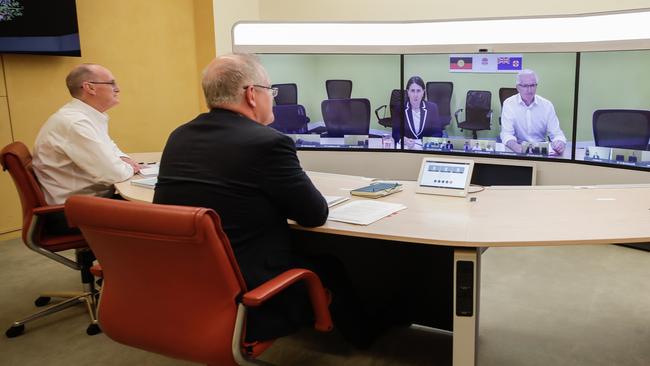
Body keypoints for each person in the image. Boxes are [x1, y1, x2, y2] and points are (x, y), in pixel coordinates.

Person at [154, 54, 388, 346]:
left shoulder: (179, 136)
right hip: (249, 290)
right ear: (252, 95)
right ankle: (365, 340)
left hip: (190, 285)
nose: (273, 99)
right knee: (331, 266)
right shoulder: (268, 142)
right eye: (271, 91)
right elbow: (314, 215)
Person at [32, 64, 140, 232]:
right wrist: (130, 168)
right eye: (111, 83)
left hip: (85, 202)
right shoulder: (75, 123)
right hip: (71, 213)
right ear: (90, 87)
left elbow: (109, 146)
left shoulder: (84, 116)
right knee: (161, 215)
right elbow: (113, 174)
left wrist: (124, 159)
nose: (117, 89)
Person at [500, 69, 567, 155]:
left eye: (532, 85)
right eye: (525, 86)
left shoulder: (547, 105)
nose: (529, 90)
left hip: (540, 149)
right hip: (517, 148)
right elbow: (506, 134)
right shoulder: (509, 104)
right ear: (518, 87)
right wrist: (518, 148)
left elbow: (557, 133)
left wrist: (559, 142)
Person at [392, 76, 442, 149]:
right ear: (408, 92)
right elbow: (395, 133)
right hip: (406, 148)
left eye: (418, 91)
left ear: (423, 92)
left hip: (425, 148)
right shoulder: (400, 108)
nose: (415, 95)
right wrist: (403, 139)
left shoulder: (432, 108)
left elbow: (438, 133)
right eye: (412, 91)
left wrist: (426, 142)